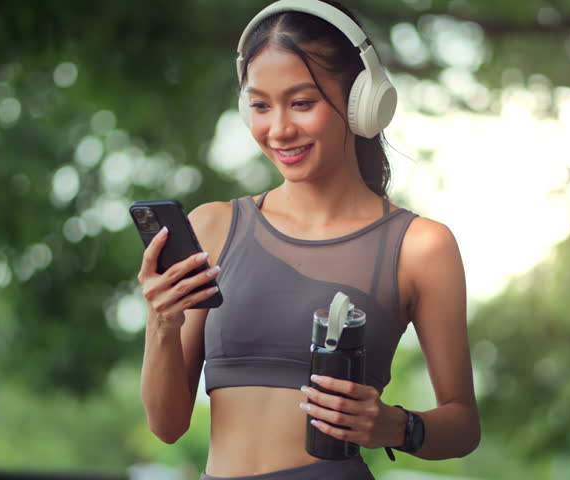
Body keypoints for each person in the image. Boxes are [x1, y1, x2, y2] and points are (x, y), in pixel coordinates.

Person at [138, 1, 480, 478]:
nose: (279, 129)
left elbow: (463, 425)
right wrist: (161, 324)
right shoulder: (214, 227)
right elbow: (167, 424)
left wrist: (395, 426)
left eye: (302, 103)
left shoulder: (420, 246)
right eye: (260, 105)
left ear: (362, 100)